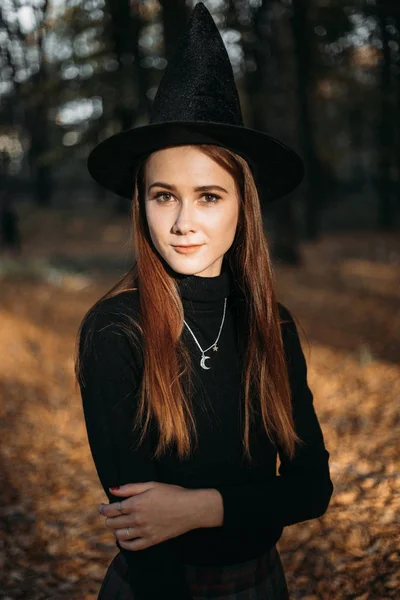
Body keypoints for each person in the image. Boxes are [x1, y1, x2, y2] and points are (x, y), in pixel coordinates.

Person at [75, 3, 334, 599]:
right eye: (164, 195)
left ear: (244, 207)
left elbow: (311, 487)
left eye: (210, 196)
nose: (184, 222)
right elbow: (141, 530)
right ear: (140, 204)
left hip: (263, 583)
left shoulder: (273, 325)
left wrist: (199, 508)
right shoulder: (117, 332)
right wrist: (245, 505)